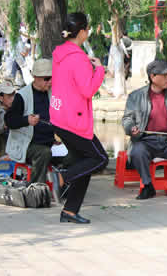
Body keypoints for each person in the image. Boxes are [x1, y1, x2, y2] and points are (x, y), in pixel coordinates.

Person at [50, 12, 108, 224]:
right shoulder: (78, 58)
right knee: (100, 158)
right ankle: (61, 177)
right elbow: (88, 90)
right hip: (74, 120)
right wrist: (99, 70)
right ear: (82, 32)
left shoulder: (60, 54)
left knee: (86, 162)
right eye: (87, 29)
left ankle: (70, 211)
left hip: (59, 117)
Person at [122, 59, 167, 200]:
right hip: (146, 141)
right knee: (137, 151)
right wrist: (131, 129)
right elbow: (127, 119)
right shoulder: (136, 96)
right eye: (165, 75)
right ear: (153, 77)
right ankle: (148, 186)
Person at [5, 58, 56, 184]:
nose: (50, 82)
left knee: (74, 152)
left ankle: (64, 187)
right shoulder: (22, 96)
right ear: (35, 77)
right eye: (46, 79)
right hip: (27, 145)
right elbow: (9, 121)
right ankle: (36, 189)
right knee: (44, 153)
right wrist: (26, 120)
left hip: (50, 142)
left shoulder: (52, 93)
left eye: (51, 78)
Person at [0, 81, 16, 154]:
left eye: (13, 95)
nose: (13, 99)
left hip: (9, 141)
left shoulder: (15, 108)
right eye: (9, 96)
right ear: (1, 98)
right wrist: (3, 126)